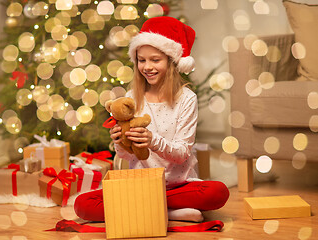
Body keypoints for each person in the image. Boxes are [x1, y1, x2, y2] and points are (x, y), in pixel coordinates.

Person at [74, 16, 229, 223]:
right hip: (140, 185)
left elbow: (182, 153)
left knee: (217, 192)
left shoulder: (186, 99)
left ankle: (148, 210)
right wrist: (119, 142)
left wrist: (152, 141)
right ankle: (170, 213)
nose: (147, 67)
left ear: (171, 61)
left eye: (155, 60)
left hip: (178, 185)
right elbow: (127, 156)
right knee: (83, 205)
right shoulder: (130, 98)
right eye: (141, 60)